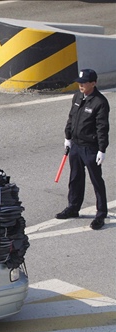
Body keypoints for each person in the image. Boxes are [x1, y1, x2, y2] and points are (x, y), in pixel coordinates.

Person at [56, 69, 110, 230]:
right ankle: (73, 207)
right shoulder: (77, 97)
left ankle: (101, 214)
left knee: (96, 181)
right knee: (75, 179)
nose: (80, 85)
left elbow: (102, 128)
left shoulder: (100, 102)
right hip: (76, 146)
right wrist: (68, 137)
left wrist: (102, 149)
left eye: (84, 82)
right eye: (79, 82)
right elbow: (71, 117)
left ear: (93, 83)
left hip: (90, 148)